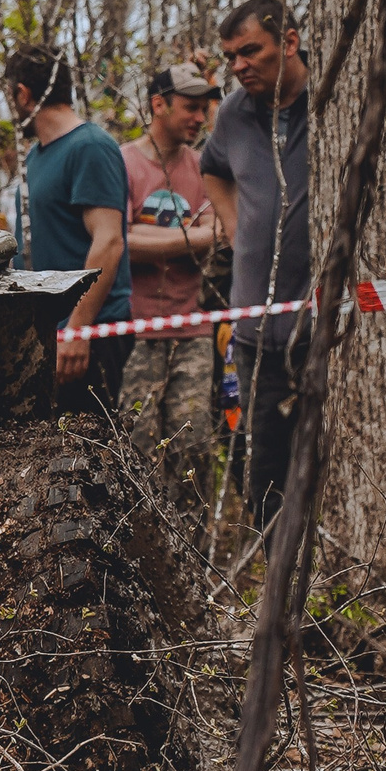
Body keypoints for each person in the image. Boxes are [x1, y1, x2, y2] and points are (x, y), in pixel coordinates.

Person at [200, 0, 311, 525]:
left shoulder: (334, 96)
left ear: (288, 42)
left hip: (326, 328)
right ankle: (277, 570)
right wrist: (234, 225)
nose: (239, 66)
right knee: (264, 472)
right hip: (254, 331)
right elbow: (213, 168)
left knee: (330, 464)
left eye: (250, 52)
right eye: (230, 57)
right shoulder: (233, 113)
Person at [1, 45, 133, 408]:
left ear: (23, 94)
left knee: (89, 440)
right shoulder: (36, 155)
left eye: (10, 97)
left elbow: (109, 241)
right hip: (49, 334)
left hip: (89, 337)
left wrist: (78, 328)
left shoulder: (90, 147)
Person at [119, 62, 224, 510]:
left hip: (192, 330)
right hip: (135, 330)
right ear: (158, 105)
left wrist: (152, 239)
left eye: (204, 109)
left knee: (193, 445)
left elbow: (220, 230)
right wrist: (190, 237)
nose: (200, 118)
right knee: (137, 448)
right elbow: (119, 242)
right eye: (190, 107)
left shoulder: (205, 167)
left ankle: (192, 546)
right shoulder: (123, 163)